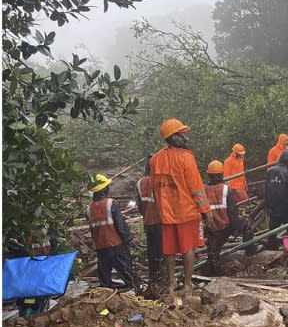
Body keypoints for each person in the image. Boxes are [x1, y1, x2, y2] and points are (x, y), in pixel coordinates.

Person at [150, 118, 210, 299]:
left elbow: (155, 188)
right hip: (186, 212)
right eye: (182, 133)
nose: (186, 135)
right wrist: (205, 210)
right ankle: (188, 284)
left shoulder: (155, 160)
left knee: (169, 250)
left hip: (166, 213)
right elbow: (196, 187)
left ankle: (171, 283)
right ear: (174, 137)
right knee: (187, 248)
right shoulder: (186, 158)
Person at [87, 174, 136, 290]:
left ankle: (106, 293)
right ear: (103, 189)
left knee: (104, 275)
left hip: (101, 246)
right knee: (127, 272)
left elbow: (92, 230)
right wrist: (128, 238)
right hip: (116, 244)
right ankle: (134, 291)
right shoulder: (111, 204)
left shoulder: (89, 208)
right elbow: (120, 225)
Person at [203, 160, 246, 276]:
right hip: (224, 227)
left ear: (209, 175)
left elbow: (201, 211)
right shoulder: (226, 189)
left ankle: (210, 272)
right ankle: (250, 249)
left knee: (213, 251)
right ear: (221, 174)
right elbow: (232, 212)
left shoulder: (203, 189)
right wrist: (236, 227)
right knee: (246, 222)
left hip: (210, 227)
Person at [135, 155, 162, 289]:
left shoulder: (140, 183)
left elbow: (139, 205)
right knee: (161, 250)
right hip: (160, 222)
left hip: (148, 222)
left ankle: (153, 275)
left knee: (152, 250)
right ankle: (161, 276)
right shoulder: (159, 181)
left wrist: (146, 214)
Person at [267, 150, 288, 247]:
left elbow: (266, 189)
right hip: (286, 207)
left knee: (272, 231)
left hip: (273, 206)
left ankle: (271, 247)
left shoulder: (270, 171)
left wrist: (268, 204)